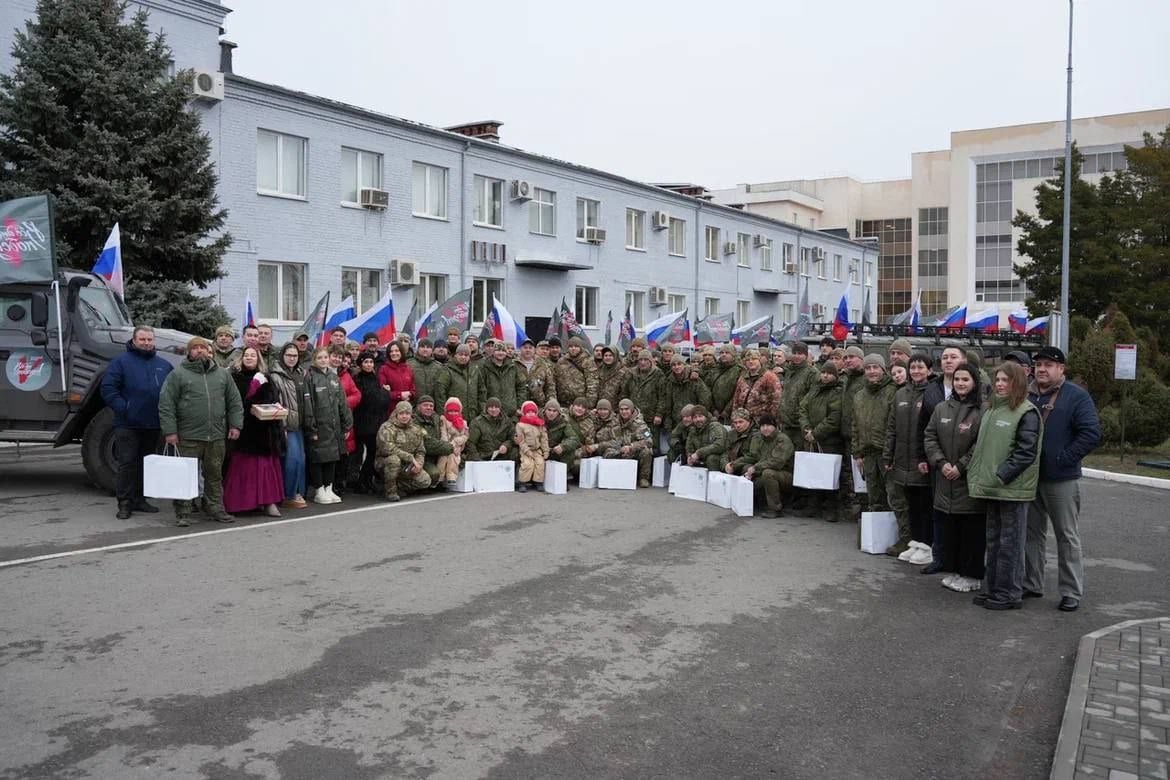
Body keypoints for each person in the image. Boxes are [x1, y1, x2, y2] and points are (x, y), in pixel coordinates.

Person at [1024, 346, 1101, 612]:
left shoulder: (1076, 396)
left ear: (1061, 369)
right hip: (1028, 479)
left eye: (1048, 364)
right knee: (1030, 534)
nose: (1042, 369)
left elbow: (1091, 434)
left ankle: (1070, 592)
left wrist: (1063, 459)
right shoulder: (1027, 394)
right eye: (1039, 364)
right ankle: (1031, 583)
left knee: (1066, 536)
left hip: (1061, 480)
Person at [969, 362, 1043, 611]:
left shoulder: (1026, 412)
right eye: (998, 380)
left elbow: (1025, 453)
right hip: (993, 488)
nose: (1000, 384)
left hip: (1011, 490)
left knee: (1010, 544)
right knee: (994, 541)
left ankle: (1010, 593)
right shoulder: (992, 410)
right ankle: (993, 588)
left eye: (1006, 380)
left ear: (1018, 383)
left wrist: (1001, 476)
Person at [157, 337, 243, 525]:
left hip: (216, 436)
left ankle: (215, 509)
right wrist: (170, 431)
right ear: (189, 352)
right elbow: (166, 404)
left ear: (208, 350)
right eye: (195, 348)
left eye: (203, 348)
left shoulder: (222, 374)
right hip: (187, 436)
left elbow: (234, 402)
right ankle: (183, 513)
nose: (199, 351)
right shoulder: (178, 375)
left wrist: (235, 425)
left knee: (214, 475)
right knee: (185, 476)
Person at [923, 363, 986, 593]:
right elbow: (929, 437)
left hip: (967, 481)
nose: (960, 383)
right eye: (957, 379)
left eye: (965, 379)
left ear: (974, 383)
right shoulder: (941, 408)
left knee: (971, 532)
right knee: (952, 532)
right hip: (944, 479)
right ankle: (958, 571)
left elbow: (980, 444)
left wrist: (961, 466)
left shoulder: (982, 411)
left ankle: (973, 575)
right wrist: (941, 463)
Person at [100, 326, 173, 520]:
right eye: (142, 339)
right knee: (127, 464)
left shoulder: (164, 365)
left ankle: (140, 499)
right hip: (127, 424)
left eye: (150, 339)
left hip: (153, 424)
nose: (146, 343)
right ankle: (125, 502)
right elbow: (108, 388)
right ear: (134, 340)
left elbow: (173, 392)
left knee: (146, 464)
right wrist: (124, 408)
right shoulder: (120, 363)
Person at [222, 347, 285, 517]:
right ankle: (240, 503)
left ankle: (268, 502)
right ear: (241, 358)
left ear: (258, 359)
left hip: (263, 430)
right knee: (242, 467)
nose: (249, 358)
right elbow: (228, 401)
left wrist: (271, 406)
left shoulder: (265, 378)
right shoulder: (233, 378)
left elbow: (273, 399)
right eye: (246, 355)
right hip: (242, 430)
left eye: (253, 356)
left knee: (265, 468)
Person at [884, 353, 934, 563]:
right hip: (902, 459)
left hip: (922, 459)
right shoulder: (901, 394)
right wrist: (888, 454)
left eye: (920, 367)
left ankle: (927, 546)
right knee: (910, 503)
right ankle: (915, 542)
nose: (916, 371)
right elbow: (892, 428)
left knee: (925, 504)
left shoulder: (933, 393)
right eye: (913, 368)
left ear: (929, 370)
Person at [852, 354, 898, 530]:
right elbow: (855, 425)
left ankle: (897, 535)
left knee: (893, 496)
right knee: (873, 495)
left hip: (887, 454)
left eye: (875, 367)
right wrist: (857, 453)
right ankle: (877, 534)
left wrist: (891, 453)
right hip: (868, 453)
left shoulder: (892, 391)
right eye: (868, 368)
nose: (872, 371)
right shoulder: (859, 396)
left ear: (883, 369)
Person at [797, 362, 846, 522]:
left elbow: (834, 417)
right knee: (813, 472)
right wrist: (806, 428)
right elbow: (802, 408)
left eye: (829, 373)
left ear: (835, 375)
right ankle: (813, 505)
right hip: (810, 437)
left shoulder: (837, 391)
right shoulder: (814, 389)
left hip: (829, 440)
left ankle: (831, 507)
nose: (825, 375)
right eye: (823, 372)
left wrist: (816, 433)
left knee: (829, 474)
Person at [304, 347, 352, 504]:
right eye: (320, 358)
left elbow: (343, 402)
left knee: (332, 457)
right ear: (314, 360)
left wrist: (347, 424)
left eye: (325, 357)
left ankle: (329, 487)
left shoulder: (334, 377)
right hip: (319, 426)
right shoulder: (310, 377)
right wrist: (311, 427)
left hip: (334, 426)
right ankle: (319, 490)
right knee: (319, 458)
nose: (323, 360)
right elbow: (308, 404)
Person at [269, 341, 313, 509]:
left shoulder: (302, 373)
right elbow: (276, 402)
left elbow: (307, 400)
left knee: (301, 460)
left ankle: (297, 493)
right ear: (283, 356)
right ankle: (287, 495)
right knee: (292, 460)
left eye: (295, 356)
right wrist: (282, 426)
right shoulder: (275, 375)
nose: (292, 358)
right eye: (289, 355)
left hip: (300, 424)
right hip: (286, 424)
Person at [375, 401, 432, 501]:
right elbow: (387, 448)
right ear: (396, 414)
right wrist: (410, 457)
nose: (404, 416)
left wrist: (418, 464)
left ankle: (399, 487)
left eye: (407, 414)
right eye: (401, 414)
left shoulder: (415, 429)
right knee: (394, 460)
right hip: (386, 462)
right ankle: (390, 492)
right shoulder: (387, 428)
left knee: (425, 481)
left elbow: (420, 450)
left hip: (407, 465)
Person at [351, 351, 391, 494]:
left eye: (371, 362)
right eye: (366, 362)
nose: (369, 365)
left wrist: (384, 393)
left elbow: (383, 400)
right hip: (363, 423)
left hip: (376, 421)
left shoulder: (375, 378)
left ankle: (367, 481)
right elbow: (368, 399)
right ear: (361, 364)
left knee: (373, 453)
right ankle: (361, 481)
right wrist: (384, 393)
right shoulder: (358, 379)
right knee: (367, 453)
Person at [743, 415, 795, 518]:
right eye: (762, 426)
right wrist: (735, 465)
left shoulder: (782, 439)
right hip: (769, 470)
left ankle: (775, 509)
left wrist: (755, 468)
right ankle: (755, 503)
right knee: (746, 468)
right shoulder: (761, 439)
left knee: (768, 474)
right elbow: (754, 457)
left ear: (775, 427)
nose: (765, 428)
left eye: (768, 425)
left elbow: (777, 462)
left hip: (787, 475)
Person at [329, 345, 362, 495]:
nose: (336, 359)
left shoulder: (345, 375)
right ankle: (328, 485)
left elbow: (356, 395)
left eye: (339, 357)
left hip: (344, 419)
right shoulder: (321, 374)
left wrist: (343, 403)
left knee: (343, 454)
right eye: (334, 356)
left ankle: (339, 484)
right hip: (328, 421)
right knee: (330, 455)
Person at [601, 398, 654, 487]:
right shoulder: (614, 421)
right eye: (621, 409)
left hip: (633, 452)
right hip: (619, 450)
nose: (624, 412)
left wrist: (632, 447)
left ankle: (643, 478)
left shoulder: (641, 424)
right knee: (607, 452)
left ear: (632, 409)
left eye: (626, 409)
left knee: (647, 451)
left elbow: (649, 441)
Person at [623, 351, 666, 455]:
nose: (642, 362)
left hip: (651, 418)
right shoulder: (631, 373)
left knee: (652, 445)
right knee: (633, 445)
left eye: (645, 360)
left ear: (650, 361)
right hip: (634, 417)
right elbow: (625, 392)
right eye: (640, 360)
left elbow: (663, 396)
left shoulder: (658, 375)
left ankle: (651, 470)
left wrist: (659, 414)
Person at [476, 340, 527, 417]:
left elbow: (521, 387)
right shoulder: (484, 367)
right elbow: (480, 390)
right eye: (498, 350)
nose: (500, 353)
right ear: (493, 352)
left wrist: (519, 406)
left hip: (511, 412)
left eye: (503, 350)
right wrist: (484, 408)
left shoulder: (513, 367)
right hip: (491, 411)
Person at [661, 355, 712, 431]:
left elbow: (705, 399)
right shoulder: (669, 382)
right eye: (674, 365)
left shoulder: (694, 379)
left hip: (694, 421)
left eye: (679, 364)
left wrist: (698, 416)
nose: (677, 367)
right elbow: (668, 403)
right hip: (677, 421)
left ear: (684, 365)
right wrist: (668, 421)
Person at [413, 395, 454, 487]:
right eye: (425, 405)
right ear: (418, 406)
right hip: (422, 457)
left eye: (431, 406)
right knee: (434, 474)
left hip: (437, 454)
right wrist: (450, 447)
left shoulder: (436, 419)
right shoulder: (414, 421)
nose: (429, 408)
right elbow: (428, 444)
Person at [730, 349, 781, 423]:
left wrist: (769, 421)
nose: (750, 361)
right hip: (743, 420)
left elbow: (776, 400)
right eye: (748, 360)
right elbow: (736, 399)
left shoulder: (770, 377)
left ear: (759, 360)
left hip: (760, 420)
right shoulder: (743, 378)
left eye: (754, 359)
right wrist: (734, 417)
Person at [466, 397, 518, 464]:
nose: (494, 410)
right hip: (483, 457)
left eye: (496, 407)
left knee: (515, 452)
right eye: (491, 407)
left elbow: (512, 438)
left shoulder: (506, 421)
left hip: (501, 456)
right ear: (486, 408)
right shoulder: (477, 422)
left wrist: (506, 446)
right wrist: (477, 460)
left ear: (500, 408)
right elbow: (471, 443)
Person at [514, 400, 550, 492]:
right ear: (524, 413)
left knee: (540, 463)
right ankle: (522, 482)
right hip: (526, 450)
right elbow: (521, 441)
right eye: (528, 412)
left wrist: (546, 451)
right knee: (527, 464)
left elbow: (543, 439)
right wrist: (526, 451)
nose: (531, 414)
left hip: (537, 449)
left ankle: (538, 482)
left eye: (533, 412)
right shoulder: (520, 425)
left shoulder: (540, 424)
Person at [555, 336, 599, 409]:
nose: (573, 348)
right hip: (563, 403)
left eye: (576, 346)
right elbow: (556, 380)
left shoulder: (588, 361)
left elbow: (593, 384)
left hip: (580, 404)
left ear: (580, 347)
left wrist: (589, 404)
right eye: (571, 346)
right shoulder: (561, 361)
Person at [436, 398, 470, 486]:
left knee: (453, 457)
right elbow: (443, 434)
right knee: (443, 458)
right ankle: (439, 477)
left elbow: (465, 436)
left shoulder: (463, 423)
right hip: (446, 445)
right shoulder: (443, 420)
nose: (453, 413)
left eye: (455, 411)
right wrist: (450, 447)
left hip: (457, 446)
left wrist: (457, 444)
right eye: (450, 411)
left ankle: (451, 476)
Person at [544, 399, 580, 478]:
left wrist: (563, 446)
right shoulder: (538, 420)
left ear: (558, 412)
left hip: (554, 451)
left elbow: (574, 439)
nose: (551, 413)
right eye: (549, 410)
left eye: (554, 411)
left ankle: (561, 476)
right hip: (540, 451)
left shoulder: (563, 423)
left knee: (570, 452)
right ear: (545, 410)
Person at [706, 345, 742, 421]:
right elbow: (707, 390)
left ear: (733, 355)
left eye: (727, 352)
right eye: (722, 352)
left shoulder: (739, 370)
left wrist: (727, 410)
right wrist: (713, 409)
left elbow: (738, 392)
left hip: (732, 413)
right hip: (714, 413)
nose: (724, 354)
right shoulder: (715, 369)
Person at [686, 405, 727, 471]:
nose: (698, 419)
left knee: (711, 458)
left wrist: (698, 453)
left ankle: (714, 480)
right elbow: (689, 446)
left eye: (700, 416)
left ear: (706, 417)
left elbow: (719, 446)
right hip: (702, 458)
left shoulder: (715, 426)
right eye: (695, 417)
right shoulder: (693, 430)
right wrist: (690, 456)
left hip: (720, 457)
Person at [407, 338, 445, 403]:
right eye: (422, 347)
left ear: (432, 350)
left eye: (428, 347)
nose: (425, 349)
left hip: (432, 406)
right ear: (418, 349)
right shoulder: (409, 364)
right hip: (413, 405)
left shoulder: (439, 367)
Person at [378, 341, 416, 406]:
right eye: (391, 351)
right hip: (391, 409)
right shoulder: (384, 369)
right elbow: (383, 392)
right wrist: (400, 395)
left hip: (406, 408)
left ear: (401, 352)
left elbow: (413, 390)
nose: (394, 353)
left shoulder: (408, 369)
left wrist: (410, 394)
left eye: (396, 351)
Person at [723, 408, 756, 474]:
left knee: (747, 468)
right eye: (735, 422)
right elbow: (725, 451)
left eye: (741, 422)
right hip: (731, 464)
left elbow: (752, 456)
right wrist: (725, 465)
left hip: (744, 464)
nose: (738, 425)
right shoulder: (731, 433)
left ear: (748, 421)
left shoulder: (755, 435)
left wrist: (733, 465)